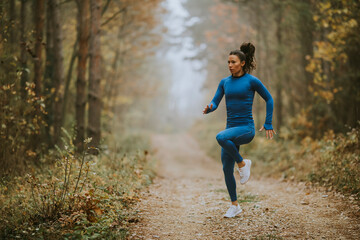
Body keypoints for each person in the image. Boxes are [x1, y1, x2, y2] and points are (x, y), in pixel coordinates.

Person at [203, 42, 276, 218]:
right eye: (228, 62)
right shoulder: (224, 82)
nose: (230, 65)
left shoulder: (252, 81)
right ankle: (235, 205)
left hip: (246, 129)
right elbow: (216, 101)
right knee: (226, 169)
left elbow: (269, 99)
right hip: (231, 130)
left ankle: (243, 163)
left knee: (220, 137)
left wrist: (268, 123)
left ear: (242, 63)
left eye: (233, 62)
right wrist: (210, 107)